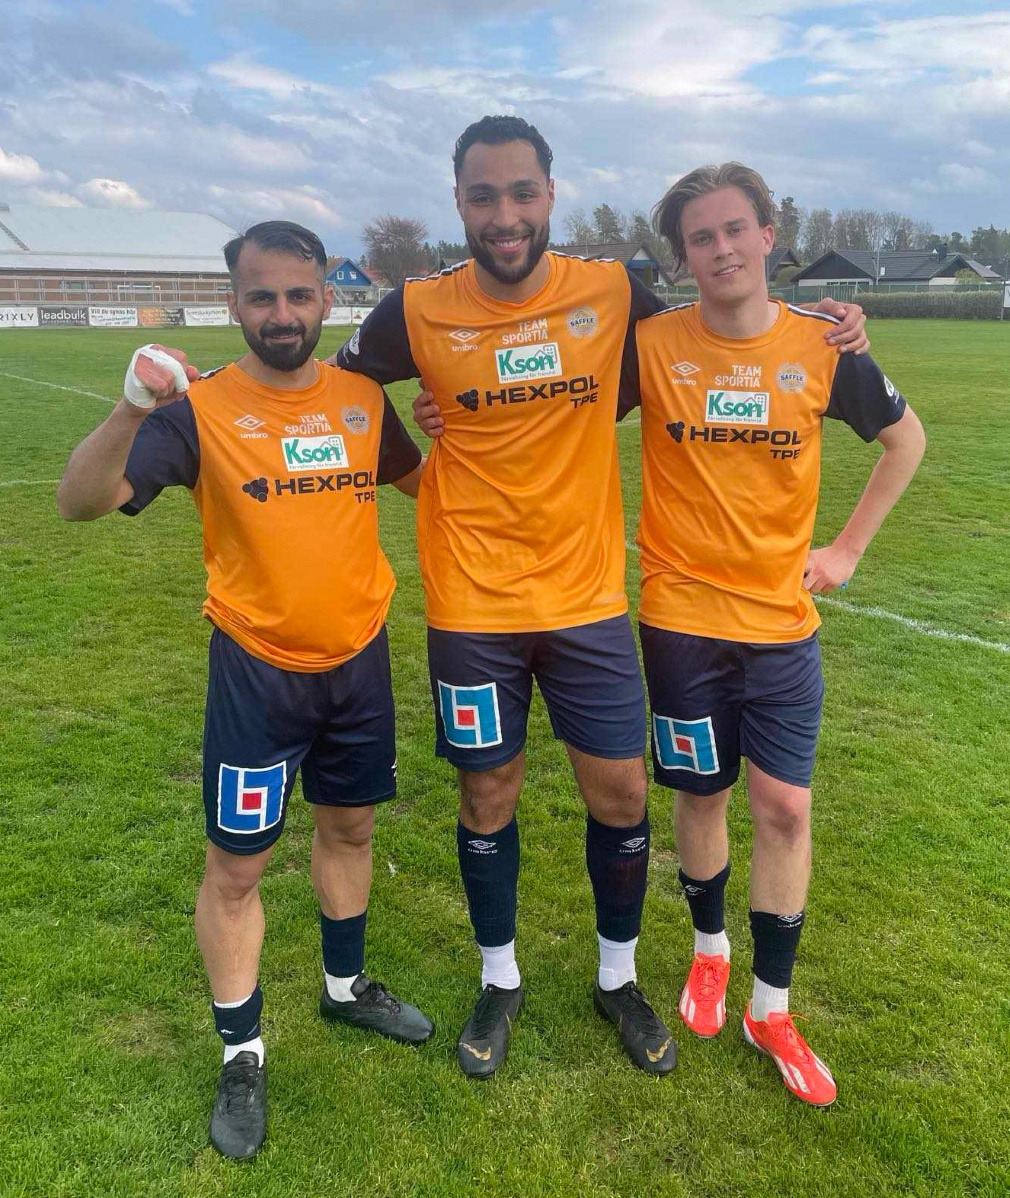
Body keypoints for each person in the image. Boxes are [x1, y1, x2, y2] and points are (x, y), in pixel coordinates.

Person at [335, 114, 867, 1080]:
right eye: (484, 196)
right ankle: (499, 980)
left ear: (551, 194)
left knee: (622, 791)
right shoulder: (414, 308)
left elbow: (717, 322)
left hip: (589, 602)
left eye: (522, 193)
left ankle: (617, 980)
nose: (505, 215)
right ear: (458, 202)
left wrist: (831, 326)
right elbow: (340, 390)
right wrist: (414, 463)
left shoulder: (612, 291)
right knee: (487, 790)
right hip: (472, 605)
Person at [56, 220, 433, 1159]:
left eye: (300, 295)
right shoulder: (200, 409)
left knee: (351, 830)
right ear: (234, 304)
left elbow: (424, 485)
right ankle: (242, 1052)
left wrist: (457, 429)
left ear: (326, 300)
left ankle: (344, 989)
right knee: (237, 870)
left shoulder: (361, 400)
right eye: (262, 297)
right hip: (257, 676)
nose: (283, 314)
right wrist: (130, 410)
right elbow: (80, 502)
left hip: (360, 662)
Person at [627, 164, 925, 1106]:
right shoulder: (650, 344)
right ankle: (709, 950)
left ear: (767, 235)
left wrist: (845, 551)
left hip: (781, 627)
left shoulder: (824, 345)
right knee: (702, 794)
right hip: (680, 624)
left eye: (733, 230)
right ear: (684, 257)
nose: (719, 249)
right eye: (700, 238)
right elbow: (551, 400)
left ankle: (772, 1006)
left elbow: (907, 441)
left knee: (786, 807)